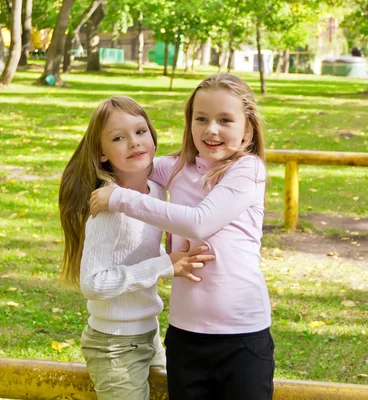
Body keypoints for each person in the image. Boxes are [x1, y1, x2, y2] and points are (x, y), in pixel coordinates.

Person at [90, 74, 274, 400]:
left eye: (225, 120)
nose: (211, 129)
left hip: (242, 335)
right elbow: (133, 164)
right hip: (185, 336)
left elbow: (200, 222)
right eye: (200, 118)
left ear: (247, 129)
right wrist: (115, 159)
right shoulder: (176, 167)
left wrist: (117, 199)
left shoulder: (248, 170)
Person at [58, 96, 215, 400]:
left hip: (148, 335)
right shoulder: (107, 208)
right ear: (102, 154)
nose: (134, 143)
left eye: (140, 132)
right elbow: (92, 283)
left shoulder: (155, 192)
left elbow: (138, 252)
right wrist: (165, 264)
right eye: (119, 138)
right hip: (113, 345)